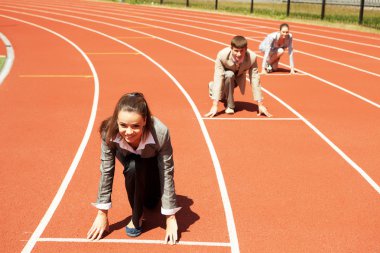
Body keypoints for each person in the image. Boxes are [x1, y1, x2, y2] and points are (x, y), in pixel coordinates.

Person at [87, 92, 181, 245]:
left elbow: (166, 171)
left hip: (152, 165)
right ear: (117, 121)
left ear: (145, 120)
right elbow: (106, 169)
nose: (129, 132)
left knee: (151, 203)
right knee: (133, 167)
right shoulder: (108, 132)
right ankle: (137, 217)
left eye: (135, 126)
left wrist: (170, 216)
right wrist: (102, 212)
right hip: (131, 162)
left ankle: (147, 196)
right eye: (123, 125)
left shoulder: (161, 132)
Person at [205, 35, 272, 118]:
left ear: (246, 49)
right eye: (236, 51)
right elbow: (219, 77)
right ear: (231, 48)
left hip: (238, 78)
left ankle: (212, 86)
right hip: (226, 77)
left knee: (223, 94)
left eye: (242, 51)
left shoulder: (252, 57)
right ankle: (230, 106)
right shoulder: (222, 56)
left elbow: (255, 80)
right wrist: (215, 105)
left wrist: (260, 104)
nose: (239, 54)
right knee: (229, 75)